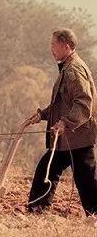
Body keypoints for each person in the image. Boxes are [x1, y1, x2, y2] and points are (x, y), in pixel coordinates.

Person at [25, 28, 97, 217]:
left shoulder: (74, 70)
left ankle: (94, 215)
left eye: (53, 45)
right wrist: (41, 115)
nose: (51, 49)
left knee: (86, 180)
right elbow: (62, 103)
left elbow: (84, 103)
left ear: (66, 46)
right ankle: (38, 210)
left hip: (77, 137)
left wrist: (65, 123)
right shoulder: (67, 67)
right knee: (47, 169)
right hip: (67, 139)